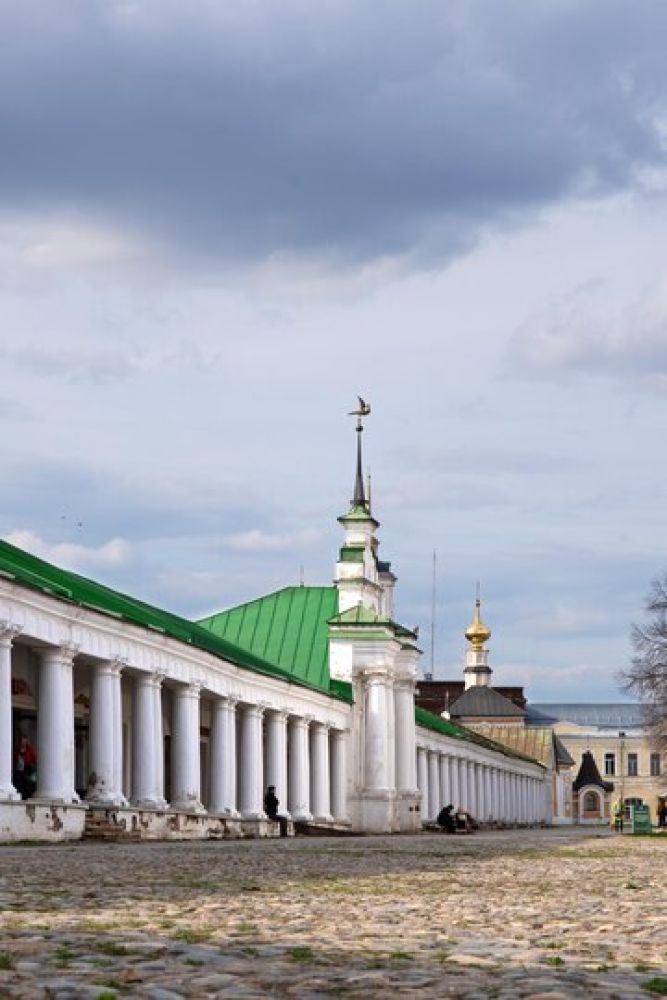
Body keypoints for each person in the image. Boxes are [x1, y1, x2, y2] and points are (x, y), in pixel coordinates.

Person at [13, 736, 37, 800]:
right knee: (19, 784)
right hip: (18, 770)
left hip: (27, 769)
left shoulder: (29, 749)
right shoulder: (17, 749)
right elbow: (14, 758)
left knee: (26, 784)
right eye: (22, 740)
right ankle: (20, 796)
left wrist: (31, 766)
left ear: (26, 741)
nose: (23, 742)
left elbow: (34, 759)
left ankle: (26, 796)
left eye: (24, 740)